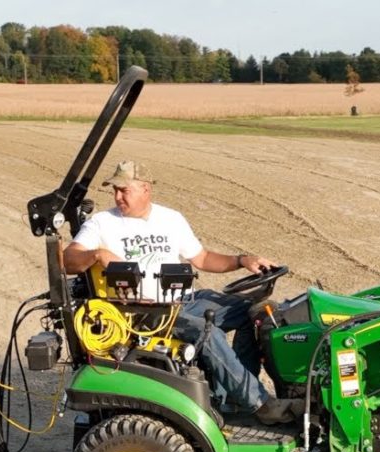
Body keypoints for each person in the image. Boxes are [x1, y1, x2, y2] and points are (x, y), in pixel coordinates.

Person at [62, 161, 303, 425]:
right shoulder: (102, 224)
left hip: (186, 300)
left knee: (256, 312)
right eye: (115, 191)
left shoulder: (171, 219)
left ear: (145, 189)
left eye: (123, 190)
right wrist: (97, 253)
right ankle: (261, 405)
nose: (118, 196)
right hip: (145, 313)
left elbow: (201, 258)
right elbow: (69, 259)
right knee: (204, 331)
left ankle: (233, 398)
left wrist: (242, 260)